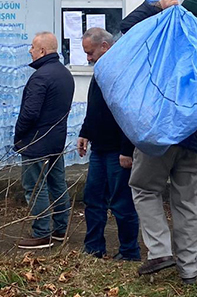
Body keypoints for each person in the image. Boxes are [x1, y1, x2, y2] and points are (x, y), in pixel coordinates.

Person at [121, 0, 197, 285]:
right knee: (190, 202)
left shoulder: (165, 44)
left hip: (161, 133)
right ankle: (189, 271)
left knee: (143, 187)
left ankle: (160, 251)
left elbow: (128, 30)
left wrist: (155, 6)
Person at [76, 27, 140, 261]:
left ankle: (129, 251)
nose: (88, 58)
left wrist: (127, 149)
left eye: (90, 52)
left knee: (122, 203)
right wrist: (85, 132)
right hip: (99, 148)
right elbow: (95, 106)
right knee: (93, 199)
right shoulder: (100, 71)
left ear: (104, 46)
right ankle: (93, 247)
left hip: (118, 151)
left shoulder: (123, 70)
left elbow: (129, 112)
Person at [14, 32, 75, 250]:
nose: (29, 51)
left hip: (36, 142)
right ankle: (61, 228)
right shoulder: (64, 74)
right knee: (56, 183)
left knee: (34, 186)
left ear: (42, 51)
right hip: (56, 141)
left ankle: (42, 232)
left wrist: (19, 134)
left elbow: (29, 113)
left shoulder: (40, 77)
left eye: (32, 47)